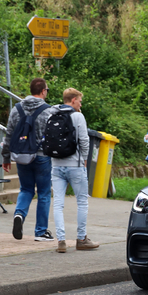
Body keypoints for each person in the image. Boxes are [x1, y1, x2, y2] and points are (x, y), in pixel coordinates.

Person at [1, 78, 54, 242]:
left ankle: (19, 214)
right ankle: (40, 232)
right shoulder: (48, 111)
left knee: (26, 190)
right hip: (42, 157)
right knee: (44, 193)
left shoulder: (16, 109)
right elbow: (53, 136)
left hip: (22, 156)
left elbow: (9, 134)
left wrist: (6, 157)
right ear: (43, 91)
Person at [50, 88, 98, 253]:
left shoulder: (51, 114)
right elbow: (84, 140)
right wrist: (84, 160)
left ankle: (61, 241)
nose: (81, 103)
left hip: (56, 165)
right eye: (79, 100)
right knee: (82, 202)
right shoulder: (78, 116)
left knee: (58, 204)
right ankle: (81, 239)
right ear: (72, 100)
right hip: (75, 165)